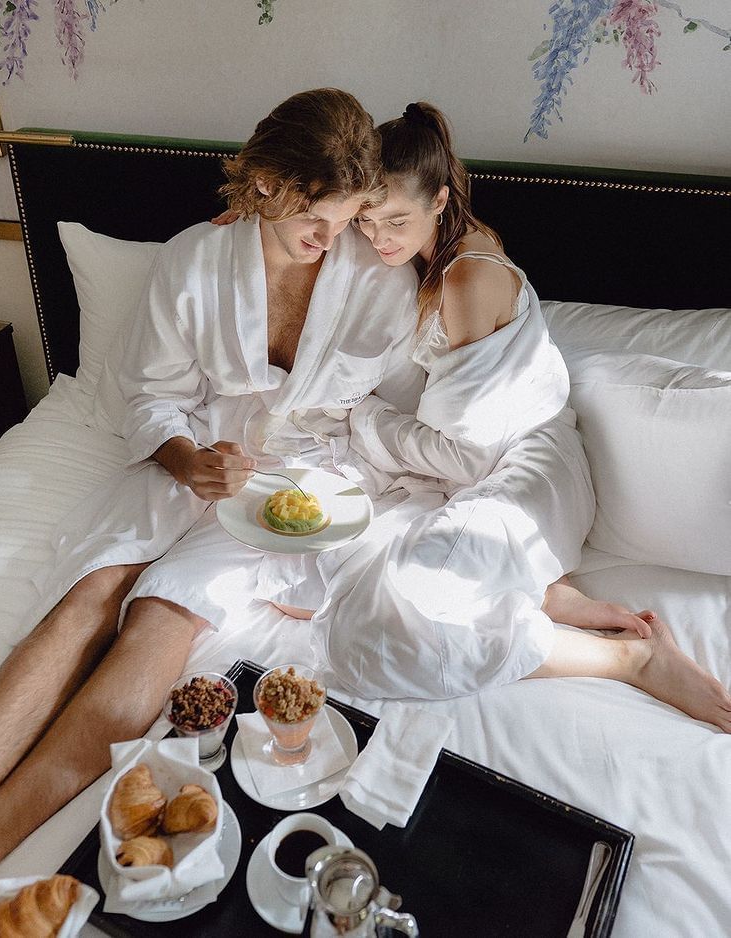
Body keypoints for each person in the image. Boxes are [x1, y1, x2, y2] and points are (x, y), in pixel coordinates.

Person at [0, 88, 428, 876]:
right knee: (88, 595)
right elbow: (150, 395)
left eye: (348, 216)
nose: (333, 240)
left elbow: (392, 409)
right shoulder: (194, 260)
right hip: (186, 456)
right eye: (310, 221)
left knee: (159, 616)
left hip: (295, 485)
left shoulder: (380, 279)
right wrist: (188, 459)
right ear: (263, 186)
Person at [215, 102, 731, 731]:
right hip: (466, 473)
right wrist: (250, 217)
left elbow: (467, 452)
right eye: (368, 219)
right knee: (345, 603)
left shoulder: (465, 280)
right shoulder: (421, 238)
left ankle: (625, 659)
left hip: (521, 467)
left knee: (387, 617)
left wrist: (363, 419)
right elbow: (309, 214)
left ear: (440, 198)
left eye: (395, 221)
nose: (378, 239)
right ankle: (544, 596)